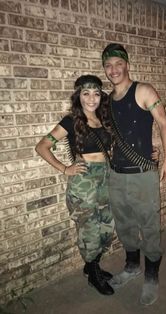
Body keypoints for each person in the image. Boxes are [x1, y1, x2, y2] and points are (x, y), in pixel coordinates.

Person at [102, 43, 166, 305]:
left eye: (118, 63)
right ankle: (132, 267)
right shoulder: (107, 101)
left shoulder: (143, 90)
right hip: (116, 175)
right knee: (124, 225)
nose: (113, 69)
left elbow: (165, 125)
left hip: (143, 174)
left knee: (149, 226)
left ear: (127, 65)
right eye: (108, 65)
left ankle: (152, 277)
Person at [35, 75, 115, 296]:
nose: (92, 98)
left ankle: (91, 266)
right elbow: (42, 147)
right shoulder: (71, 121)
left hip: (107, 179)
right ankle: (94, 274)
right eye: (86, 93)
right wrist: (65, 168)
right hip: (84, 182)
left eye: (96, 93)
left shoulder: (105, 119)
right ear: (78, 96)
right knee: (89, 230)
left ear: (101, 96)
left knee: (107, 228)